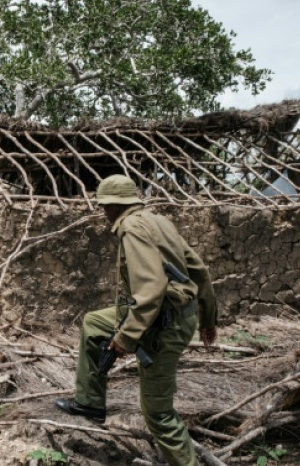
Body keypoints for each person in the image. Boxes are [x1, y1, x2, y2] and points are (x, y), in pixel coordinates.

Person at [54, 174, 218, 466]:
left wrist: (125, 338)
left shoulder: (131, 226)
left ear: (117, 205)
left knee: (158, 414)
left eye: (105, 206)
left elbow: (151, 288)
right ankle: (90, 404)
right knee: (94, 323)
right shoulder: (159, 221)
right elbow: (200, 271)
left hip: (163, 323)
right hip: (174, 314)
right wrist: (208, 319)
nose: (103, 212)